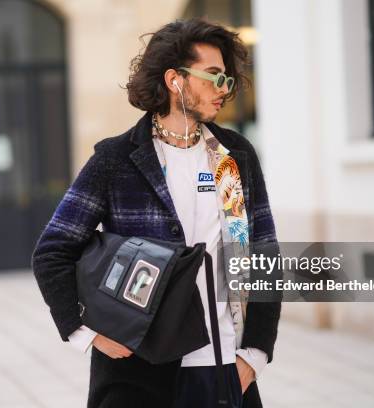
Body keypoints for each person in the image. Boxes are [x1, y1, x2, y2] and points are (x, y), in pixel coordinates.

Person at [32, 18, 280, 408]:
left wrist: (255, 353)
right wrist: (85, 332)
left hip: (225, 368)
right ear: (174, 80)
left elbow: (265, 253)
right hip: (139, 372)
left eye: (227, 79)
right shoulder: (116, 159)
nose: (224, 89)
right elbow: (52, 251)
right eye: (213, 76)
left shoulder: (235, 157)